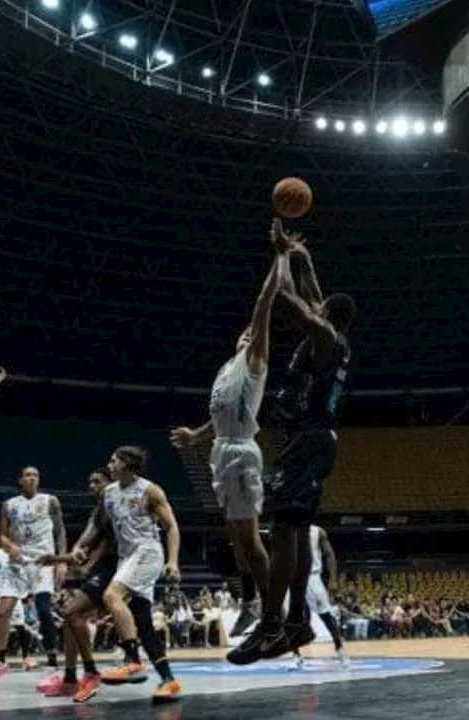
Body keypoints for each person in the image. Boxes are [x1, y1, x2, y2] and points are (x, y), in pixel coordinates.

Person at [228, 232, 356, 666]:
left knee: (282, 532)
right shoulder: (335, 340)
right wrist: (303, 256)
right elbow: (313, 294)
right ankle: (298, 618)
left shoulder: (324, 337)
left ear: (328, 317)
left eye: (320, 308)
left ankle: (271, 625)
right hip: (315, 441)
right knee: (296, 531)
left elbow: (291, 302)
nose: (314, 304)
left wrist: (280, 261)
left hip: (307, 441)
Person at [170, 221, 288, 636]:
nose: (247, 332)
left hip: (239, 451)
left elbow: (264, 303)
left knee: (250, 540)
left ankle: (273, 613)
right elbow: (219, 416)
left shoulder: (255, 359)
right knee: (237, 539)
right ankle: (253, 602)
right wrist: (196, 436)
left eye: (252, 331)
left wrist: (281, 256)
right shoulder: (226, 370)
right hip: (221, 447)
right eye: (244, 331)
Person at [79, 446, 182, 703]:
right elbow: (98, 527)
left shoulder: (150, 490)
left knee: (112, 595)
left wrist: (173, 561)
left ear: (127, 464)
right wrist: (82, 547)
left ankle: (133, 660)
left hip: (148, 552)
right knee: (144, 623)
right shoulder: (109, 493)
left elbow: (171, 527)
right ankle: (169, 681)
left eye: (114, 460)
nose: (109, 464)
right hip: (128, 557)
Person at [0, 466, 67, 689]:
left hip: (43, 561)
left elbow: (60, 531)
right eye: (28, 475)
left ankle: (52, 667)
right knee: (2, 612)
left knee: (42, 608)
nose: (32, 477)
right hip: (18, 562)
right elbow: (2, 536)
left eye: (36, 475)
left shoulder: (50, 500)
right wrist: (9, 546)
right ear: (20, 480)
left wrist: (61, 561)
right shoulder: (9, 505)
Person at [40, 467, 116, 703]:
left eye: (97, 482)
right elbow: (87, 538)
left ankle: (90, 672)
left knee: (73, 613)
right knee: (69, 618)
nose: (91, 486)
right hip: (106, 569)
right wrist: (66, 556)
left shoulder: (116, 505)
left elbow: (107, 542)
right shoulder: (97, 511)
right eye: (90, 482)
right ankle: (72, 677)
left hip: (122, 567)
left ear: (110, 483)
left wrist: (87, 564)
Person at [290, 524, 349, 669]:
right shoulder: (284, 530)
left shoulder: (317, 531)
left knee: (326, 616)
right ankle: (296, 655)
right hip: (292, 578)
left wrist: (333, 579)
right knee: (293, 619)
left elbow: (329, 554)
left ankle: (340, 648)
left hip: (313, 577)